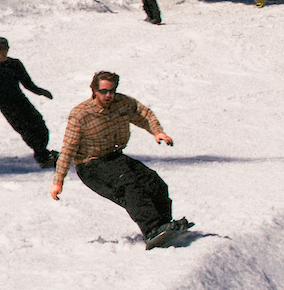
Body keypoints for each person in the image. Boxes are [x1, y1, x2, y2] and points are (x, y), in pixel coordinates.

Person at [49, 71, 190, 246]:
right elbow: (67, 150)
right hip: (91, 166)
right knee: (129, 184)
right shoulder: (80, 115)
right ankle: (152, 229)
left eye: (112, 91)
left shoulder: (122, 103)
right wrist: (58, 181)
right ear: (94, 90)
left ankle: (164, 224)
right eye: (104, 91)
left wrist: (158, 131)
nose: (108, 95)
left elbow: (143, 114)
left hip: (115, 158)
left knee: (153, 181)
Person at [0, 37, 57, 167]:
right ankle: (42, 156)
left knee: (39, 123)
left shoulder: (15, 64)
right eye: (0, 49)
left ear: (8, 48)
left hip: (19, 99)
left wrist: (42, 92)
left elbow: (28, 83)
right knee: (25, 130)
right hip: (6, 105)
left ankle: (43, 152)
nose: (2, 51)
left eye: (5, 48)